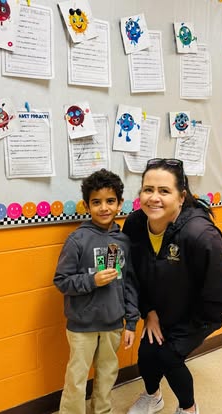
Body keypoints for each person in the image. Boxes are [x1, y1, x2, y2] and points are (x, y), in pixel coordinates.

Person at [123, 158, 222, 414]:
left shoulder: (200, 235)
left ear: (181, 196)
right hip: (160, 308)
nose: (154, 198)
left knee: (168, 356)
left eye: (164, 191)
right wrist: (148, 311)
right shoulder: (134, 225)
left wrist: (191, 328)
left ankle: (188, 409)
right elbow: (133, 274)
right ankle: (153, 397)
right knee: (147, 354)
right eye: (148, 189)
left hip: (196, 315)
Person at [54, 169, 140, 414]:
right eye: (96, 202)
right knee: (77, 378)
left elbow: (129, 283)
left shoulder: (123, 241)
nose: (104, 208)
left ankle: (102, 410)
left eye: (110, 201)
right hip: (82, 325)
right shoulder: (77, 240)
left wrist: (131, 322)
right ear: (87, 205)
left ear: (120, 203)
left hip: (113, 323)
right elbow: (62, 281)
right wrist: (92, 280)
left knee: (107, 374)